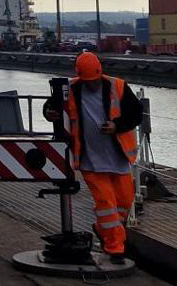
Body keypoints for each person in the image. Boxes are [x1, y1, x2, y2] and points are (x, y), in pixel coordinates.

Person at [42, 50, 144, 262]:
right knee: (106, 203)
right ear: (79, 76)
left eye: (94, 80)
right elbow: (51, 106)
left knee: (125, 202)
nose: (91, 85)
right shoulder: (69, 89)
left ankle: (102, 229)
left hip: (119, 157)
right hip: (90, 159)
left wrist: (117, 126)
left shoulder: (118, 86)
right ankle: (115, 248)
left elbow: (136, 113)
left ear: (100, 73)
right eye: (87, 81)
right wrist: (49, 113)